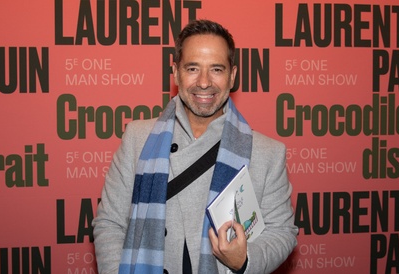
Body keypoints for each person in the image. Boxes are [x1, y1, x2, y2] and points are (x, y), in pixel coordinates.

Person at [93, 19, 298, 274]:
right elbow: (110, 224)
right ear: (176, 72)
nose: (203, 82)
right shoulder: (137, 138)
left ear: (232, 76)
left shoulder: (267, 153)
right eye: (192, 68)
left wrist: (244, 260)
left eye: (216, 69)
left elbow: (282, 232)